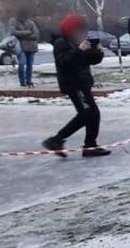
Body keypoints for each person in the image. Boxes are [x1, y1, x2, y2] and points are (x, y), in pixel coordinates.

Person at [42, 14, 110, 158]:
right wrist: (79, 49)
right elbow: (64, 61)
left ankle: (64, 141)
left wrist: (97, 52)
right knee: (90, 114)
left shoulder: (77, 41)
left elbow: (88, 60)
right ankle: (64, 141)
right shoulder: (62, 43)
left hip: (82, 83)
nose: (80, 33)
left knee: (88, 114)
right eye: (77, 30)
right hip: (74, 84)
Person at [7, 8, 40, 88]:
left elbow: (36, 35)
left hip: (31, 47)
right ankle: (22, 81)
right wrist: (28, 32)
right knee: (22, 63)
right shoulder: (13, 21)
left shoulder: (31, 23)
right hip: (20, 47)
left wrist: (21, 35)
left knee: (29, 65)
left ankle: (28, 81)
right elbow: (13, 32)